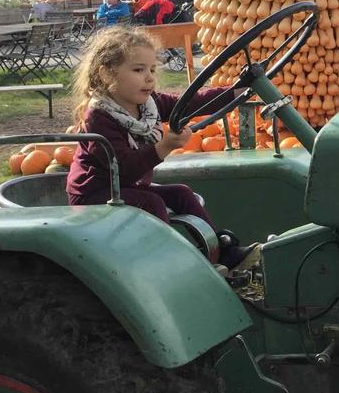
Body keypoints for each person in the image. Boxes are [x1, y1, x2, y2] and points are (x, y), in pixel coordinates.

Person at [66, 25, 258, 272]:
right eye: (138, 70)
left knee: (181, 193)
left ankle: (221, 255)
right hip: (96, 193)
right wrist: (163, 147)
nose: (149, 77)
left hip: (127, 187)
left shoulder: (149, 104)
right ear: (106, 74)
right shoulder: (100, 117)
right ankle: (168, 268)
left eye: (152, 70)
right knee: (152, 203)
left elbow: (188, 104)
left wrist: (235, 91)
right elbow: (124, 168)